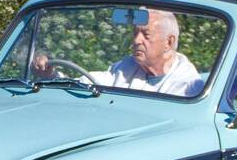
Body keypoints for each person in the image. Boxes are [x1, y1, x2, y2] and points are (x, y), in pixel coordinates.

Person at [32, 8, 203, 97]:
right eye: (135, 33)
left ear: (169, 42)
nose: (136, 40)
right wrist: (51, 76)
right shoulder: (126, 67)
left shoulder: (188, 86)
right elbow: (85, 84)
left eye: (146, 35)